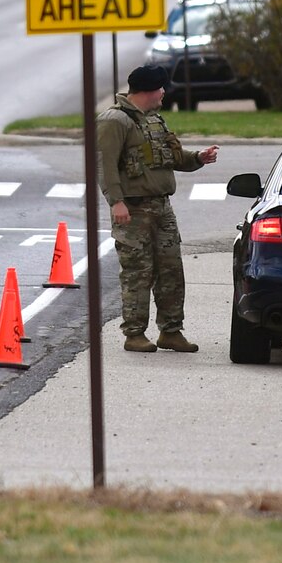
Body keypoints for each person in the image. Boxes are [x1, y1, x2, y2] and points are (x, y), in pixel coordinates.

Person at [97, 64, 219, 353]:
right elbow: (105, 166)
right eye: (161, 87)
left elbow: (171, 157)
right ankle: (134, 333)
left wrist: (198, 158)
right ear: (149, 89)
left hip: (162, 208)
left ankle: (171, 331)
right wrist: (116, 202)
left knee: (171, 270)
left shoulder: (154, 120)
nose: (164, 92)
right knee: (138, 272)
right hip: (133, 210)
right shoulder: (115, 121)